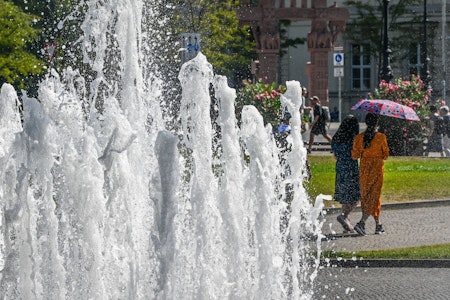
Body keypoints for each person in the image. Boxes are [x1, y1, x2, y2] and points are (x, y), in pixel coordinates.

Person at [352, 113, 389, 236]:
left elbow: (354, 155)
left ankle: (378, 225)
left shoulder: (359, 138)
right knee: (374, 196)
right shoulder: (381, 137)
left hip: (364, 169)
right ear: (377, 123)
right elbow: (386, 155)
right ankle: (362, 223)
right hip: (377, 169)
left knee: (367, 196)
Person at [331, 115, 360, 233]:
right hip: (352, 168)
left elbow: (335, 154)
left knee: (345, 196)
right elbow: (355, 155)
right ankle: (344, 216)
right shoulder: (353, 140)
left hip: (341, 168)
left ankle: (346, 221)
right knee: (356, 195)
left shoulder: (336, 139)